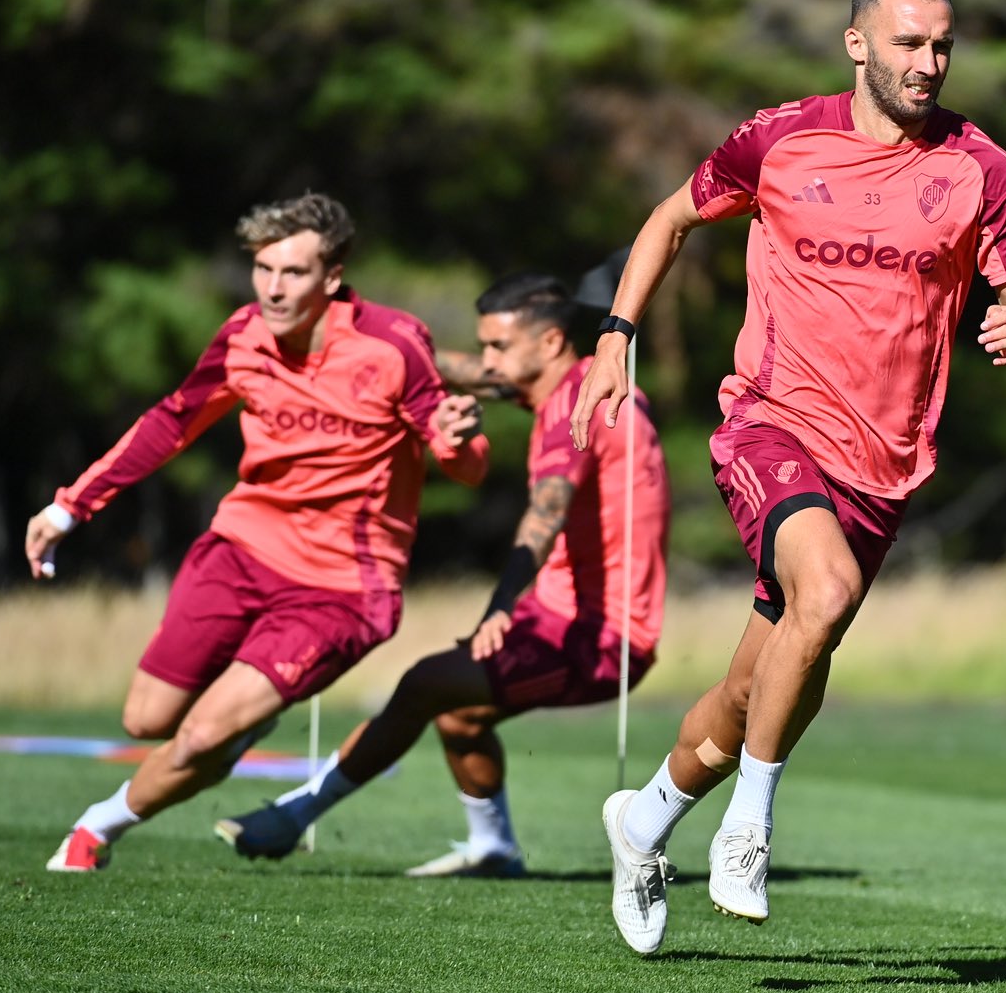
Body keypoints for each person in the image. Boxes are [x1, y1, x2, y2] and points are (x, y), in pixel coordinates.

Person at [571, 0, 1006, 954]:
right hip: (771, 422)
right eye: (908, 43)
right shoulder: (780, 140)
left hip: (884, 466)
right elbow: (669, 219)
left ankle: (646, 818)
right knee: (823, 593)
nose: (928, 63)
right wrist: (616, 334)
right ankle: (747, 828)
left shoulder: (980, 168)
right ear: (856, 44)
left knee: (763, 681)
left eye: (942, 46)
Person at [27, 193, 488, 872]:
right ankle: (241, 722)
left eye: (292, 273)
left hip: (341, 587)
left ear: (332, 277)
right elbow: (171, 422)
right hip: (241, 549)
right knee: (147, 722)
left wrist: (458, 444)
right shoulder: (243, 334)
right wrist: (70, 508)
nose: (273, 288)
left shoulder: (393, 344)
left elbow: (465, 464)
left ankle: (97, 827)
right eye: (263, 269)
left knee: (202, 736)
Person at [213, 273, 670, 873]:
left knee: (428, 682)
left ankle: (293, 817)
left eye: (499, 347)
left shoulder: (573, 411)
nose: (486, 361)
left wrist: (502, 601)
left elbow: (547, 509)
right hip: (559, 612)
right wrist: (350, 328)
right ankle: (493, 849)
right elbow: (446, 369)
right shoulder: (585, 383)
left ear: (552, 343)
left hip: (604, 636)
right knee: (458, 712)